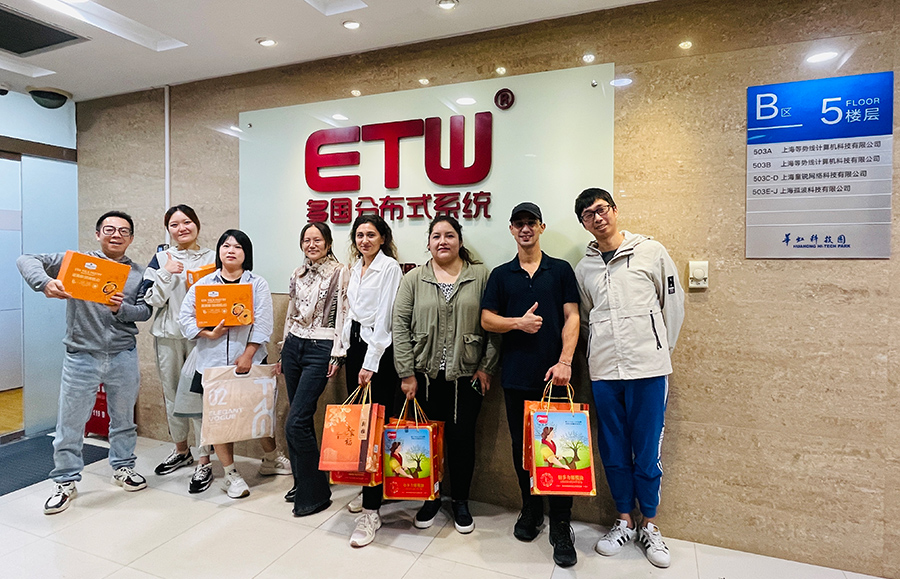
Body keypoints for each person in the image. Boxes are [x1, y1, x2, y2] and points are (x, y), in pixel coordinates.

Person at [573, 188, 684, 569]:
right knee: (614, 448)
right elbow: (585, 319)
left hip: (648, 369)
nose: (597, 217)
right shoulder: (584, 268)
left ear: (615, 210)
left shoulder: (650, 251)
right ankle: (624, 520)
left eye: (601, 209)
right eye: (588, 214)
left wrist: (660, 349)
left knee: (647, 449)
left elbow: (673, 304)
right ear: (584, 224)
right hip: (605, 371)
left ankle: (650, 524)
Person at [17, 211, 153, 514]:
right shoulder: (77, 262)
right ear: (97, 234)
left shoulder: (140, 273)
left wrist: (121, 309)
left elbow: (145, 311)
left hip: (123, 355)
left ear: (131, 238)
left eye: (123, 231)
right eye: (109, 229)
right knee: (70, 424)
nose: (116, 235)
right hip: (81, 356)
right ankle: (65, 480)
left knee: (123, 420)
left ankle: (123, 467)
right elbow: (26, 259)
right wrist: (44, 283)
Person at [481, 202, 580, 568]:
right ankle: (531, 509)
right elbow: (487, 319)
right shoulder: (501, 274)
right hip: (517, 376)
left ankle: (561, 523)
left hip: (557, 378)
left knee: (560, 451)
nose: (525, 229)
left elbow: (573, 316)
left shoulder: (560, 270)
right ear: (511, 229)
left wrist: (565, 361)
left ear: (541, 227)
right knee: (523, 449)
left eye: (531, 223)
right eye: (519, 223)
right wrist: (517, 324)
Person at [392, 215, 499, 534]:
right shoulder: (414, 279)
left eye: (449, 235)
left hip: (467, 377)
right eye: (436, 236)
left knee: (463, 441)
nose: (443, 241)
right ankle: (431, 498)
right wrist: (406, 372)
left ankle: (461, 501)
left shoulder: (481, 276)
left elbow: (493, 325)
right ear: (428, 243)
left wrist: (487, 366)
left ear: (460, 241)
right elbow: (399, 326)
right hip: (424, 378)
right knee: (427, 443)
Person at [178, 229, 288, 499]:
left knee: (259, 413)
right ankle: (230, 474)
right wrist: (207, 333)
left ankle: (271, 458)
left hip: (249, 361)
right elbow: (185, 318)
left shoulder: (257, 284)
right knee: (219, 419)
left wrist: (249, 354)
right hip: (212, 364)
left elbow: (263, 323)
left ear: (245, 254)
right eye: (226, 246)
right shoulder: (204, 284)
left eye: (238, 247)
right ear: (219, 251)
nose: (231, 251)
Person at [142, 205, 217, 491]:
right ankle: (181, 450)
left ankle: (204, 459)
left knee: (200, 398)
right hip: (169, 336)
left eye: (187, 222)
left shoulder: (213, 257)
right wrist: (165, 273)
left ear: (197, 224)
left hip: (202, 338)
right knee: (172, 395)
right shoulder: (161, 258)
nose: (181, 228)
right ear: (168, 230)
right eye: (174, 224)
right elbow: (151, 300)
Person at [276, 222, 348, 516]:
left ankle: (316, 491)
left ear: (328, 244)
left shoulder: (340, 272)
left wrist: (338, 353)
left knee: (295, 422)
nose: (311, 245)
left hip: (321, 346)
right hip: (294, 345)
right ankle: (303, 481)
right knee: (301, 420)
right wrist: (283, 348)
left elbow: (344, 313)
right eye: (306, 240)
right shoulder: (298, 273)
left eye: (317, 240)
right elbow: (291, 312)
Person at [342, 214, 403, 548]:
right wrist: (341, 352)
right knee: (360, 427)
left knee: (374, 431)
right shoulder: (355, 268)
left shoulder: (389, 268)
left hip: (376, 354)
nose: (364, 240)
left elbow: (385, 319)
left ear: (383, 238)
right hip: (355, 348)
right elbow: (350, 314)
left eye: (371, 234)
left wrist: (370, 363)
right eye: (360, 235)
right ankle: (370, 488)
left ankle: (371, 510)